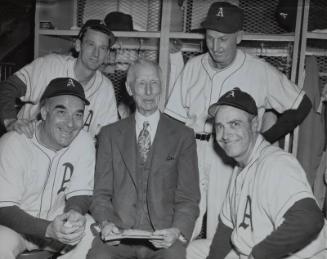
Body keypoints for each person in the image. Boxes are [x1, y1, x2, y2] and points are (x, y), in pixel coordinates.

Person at [164, 2, 312, 258]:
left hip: (231, 156)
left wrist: (263, 139)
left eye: (223, 39)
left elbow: (301, 104)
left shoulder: (259, 70)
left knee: (223, 229)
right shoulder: (193, 66)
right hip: (192, 150)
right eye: (210, 38)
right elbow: (174, 119)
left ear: (239, 37)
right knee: (180, 224)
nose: (215, 46)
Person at [87, 59, 200, 259]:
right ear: (130, 90)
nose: (148, 91)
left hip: (163, 238)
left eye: (154, 83)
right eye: (141, 84)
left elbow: (188, 198)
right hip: (119, 237)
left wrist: (177, 230)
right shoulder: (109, 134)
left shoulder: (183, 136)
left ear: (161, 88)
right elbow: (101, 194)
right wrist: (106, 224)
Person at [206, 88, 326, 259]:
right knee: (187, 251)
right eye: (220, 126)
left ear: (255, 124)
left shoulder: (275, 163)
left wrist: (259, 255)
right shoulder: (241, 165)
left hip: (298, 256)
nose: (225, 135)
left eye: (235, 124)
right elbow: (227, 228)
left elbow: (310, 219)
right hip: (251, 250)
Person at [0, 77, 96, 258]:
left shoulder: (84, 141)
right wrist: (47, 229)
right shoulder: (13, 143)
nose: (70, 123)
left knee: (92, 232)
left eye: (78, 114)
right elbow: (3, 208)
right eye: (61, 112)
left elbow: (80, 191)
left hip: (58, 222)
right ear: (44, 112)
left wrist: (74, 212)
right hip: (14, 229)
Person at [0, 19, 118, 139]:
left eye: (102, 48)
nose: (96, 53)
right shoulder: (50, 65)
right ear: (78, 45)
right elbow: (7, 88)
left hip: (71, 156)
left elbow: (109, 136)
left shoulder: (106, 89)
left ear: (107, 54)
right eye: (91, 44)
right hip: (27, 143)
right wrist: (10, 121)